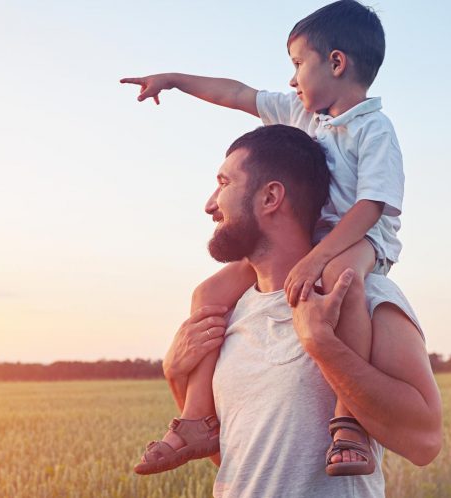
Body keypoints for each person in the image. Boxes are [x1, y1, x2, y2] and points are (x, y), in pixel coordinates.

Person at [123, 1, 407, 476]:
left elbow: (371, 207)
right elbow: (236, 93)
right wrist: (173, 79)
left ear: (336, 63)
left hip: (362, 239)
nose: (292, 80)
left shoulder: (374, 129)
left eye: (298, 64)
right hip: (316, 242)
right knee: (208, 292)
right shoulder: (301, 113)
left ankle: (349, 422)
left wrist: (319, 257)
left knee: (343, 280)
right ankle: (196, 418)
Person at [166, 125, 441, 496]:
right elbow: (239, 460)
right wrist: (174, 376)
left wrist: (323, 345)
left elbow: (424, 442)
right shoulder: (226, 311)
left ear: (271, 197)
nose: (210, 204)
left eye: (224, 183)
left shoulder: (366, 295)